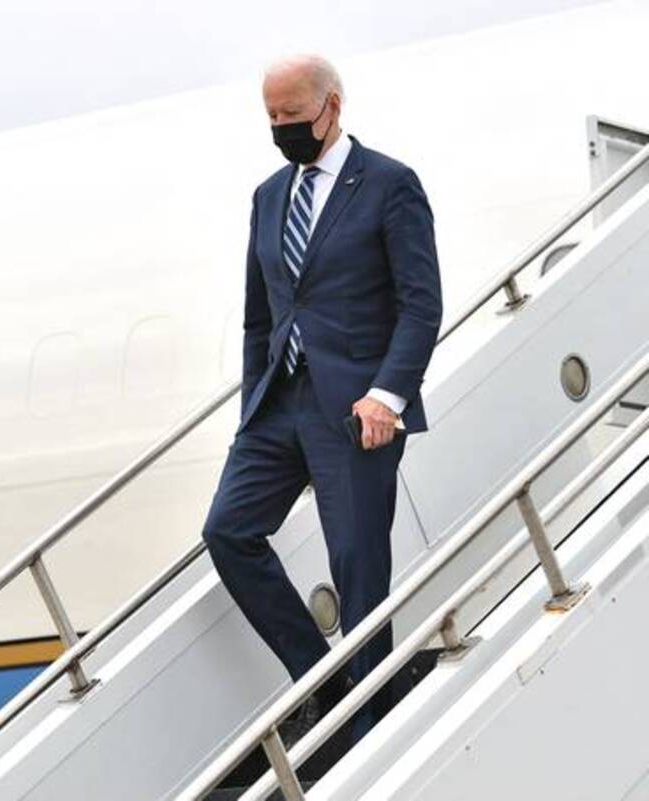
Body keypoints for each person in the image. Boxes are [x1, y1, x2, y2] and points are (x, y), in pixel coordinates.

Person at [200, 53, 443, 771]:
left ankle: (369, 729)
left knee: (358, 564)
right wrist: (253, 405)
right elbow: (258, 316)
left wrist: (388, 394)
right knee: (228, 530)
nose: (281, 129)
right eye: (271, 118)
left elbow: (421, 303)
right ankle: (324, 677)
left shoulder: (390, 186)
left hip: (357, 409)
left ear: (331, 107)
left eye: (292, 116)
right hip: (280, 403)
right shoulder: (269, 195)